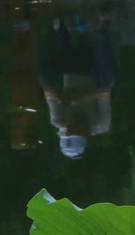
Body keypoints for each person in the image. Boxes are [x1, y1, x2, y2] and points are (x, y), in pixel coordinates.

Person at [40, 12, 116, 159]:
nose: (71, 127)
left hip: (71, 73)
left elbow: (47, 91)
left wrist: (59, 96)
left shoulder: (58, 121)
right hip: (95, 73)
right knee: (107, 79)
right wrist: (78, 98)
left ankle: (39, 32)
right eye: (75, 131)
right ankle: (103, 28)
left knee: (44, 78)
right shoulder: (100, 124)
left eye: (68, 132)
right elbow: (105, 93)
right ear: (85, 134)